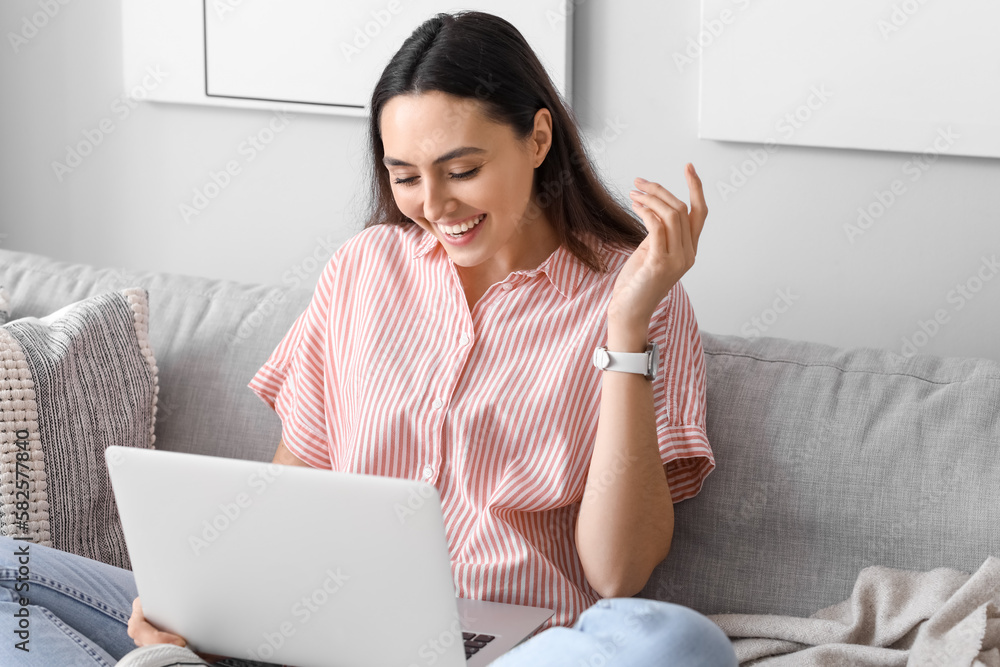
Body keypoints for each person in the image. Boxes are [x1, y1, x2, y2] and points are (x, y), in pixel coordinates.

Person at [0, 10, 737, 667]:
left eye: (462, 170)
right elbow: (293, 494)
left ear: (538, 137)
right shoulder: (363, 269)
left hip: (518, 646)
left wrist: (625, 325)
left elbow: (618, 572)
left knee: (676, 641)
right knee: (10, 572)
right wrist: (212, 610)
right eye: (405, 176)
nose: (434, 205)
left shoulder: (640, 299)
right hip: (324, 625)